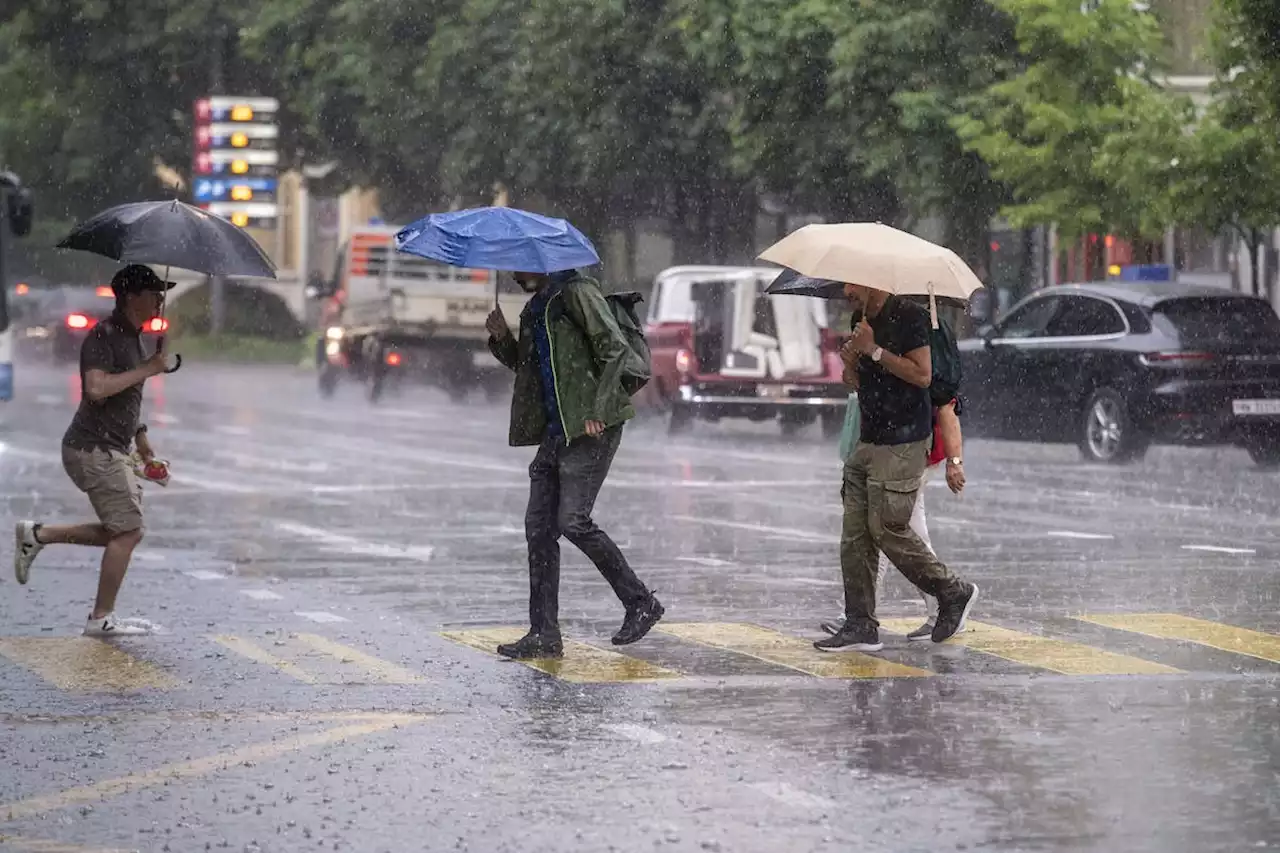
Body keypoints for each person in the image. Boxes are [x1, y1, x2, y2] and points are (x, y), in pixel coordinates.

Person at [485, 268, 663, 660]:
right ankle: (544, 633)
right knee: (539, 529)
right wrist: (501, 339)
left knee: (573, 521)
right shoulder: (536, 307)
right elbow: (528, 366)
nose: (514, 275)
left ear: (542, 263)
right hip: (557, 429)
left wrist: (599, 409)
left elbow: (615, 349)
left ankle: (640, 602)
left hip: (591, 426)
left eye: (520, 267)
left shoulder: (579, 293)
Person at [814, 283, 978, 652]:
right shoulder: (861, 318)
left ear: (870, 281)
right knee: (854, 535)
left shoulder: (911, 318)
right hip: (868, 439)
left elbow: (921, 374)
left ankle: (953, 591)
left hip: (904, 439)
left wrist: (874, 349)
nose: (844, 291)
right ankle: (860, 624)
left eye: (850, 283)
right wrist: (852, 362)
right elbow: (858, 384)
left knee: (887, 528)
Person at [13, 265, 172, 636]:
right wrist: (148, 368)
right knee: (128, 531)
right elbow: (98, 389)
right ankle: (100, 619)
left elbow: (127, 397)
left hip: (109, 448)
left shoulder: (133, 337)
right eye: (155, 294)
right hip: (91, 448)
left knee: (122, 530)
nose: (160, 302)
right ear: (133, 297)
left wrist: (142, 440)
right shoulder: (105, 334)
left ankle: (39, 535)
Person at [821, 397, 966, 640]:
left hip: (906, 454)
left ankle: (860, 616)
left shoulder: (921, 366)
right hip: (889, 451)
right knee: (902, 530)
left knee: (885, 528)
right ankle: (943, 604)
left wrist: (955, 461)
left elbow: (946, 404)